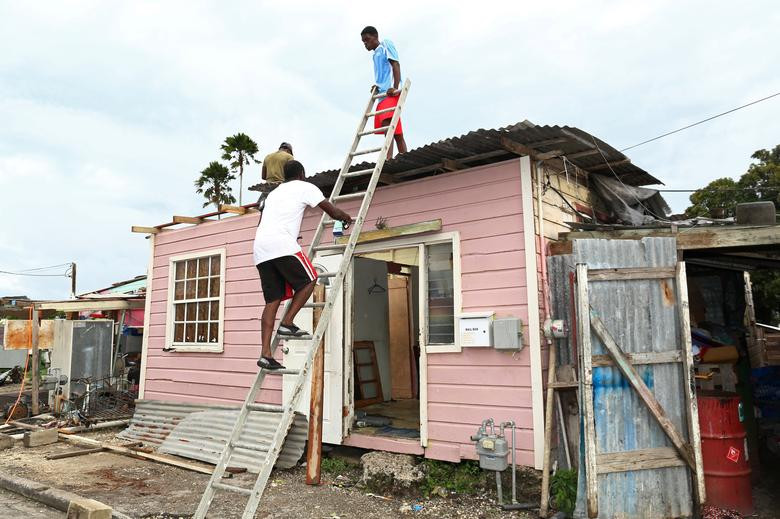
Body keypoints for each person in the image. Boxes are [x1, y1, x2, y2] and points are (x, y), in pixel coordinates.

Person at [253, 160, 352, 370]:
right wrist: (346, 217)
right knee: (310, 280)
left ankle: (265, 354)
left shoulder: (273, 193)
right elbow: (332, 211)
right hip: (282, 244)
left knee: (273, 300)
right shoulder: (305, 187)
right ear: (302, 174)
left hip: (261, 249)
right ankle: (287, 323)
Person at [360, 26, 407, 159]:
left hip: (390, 93)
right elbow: (383, 74)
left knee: (388, 126)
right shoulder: (375, 55)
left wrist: (395, 87)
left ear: (375, 37)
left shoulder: (386, 45)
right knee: (397, 133)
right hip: (382, 95)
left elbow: (395, 65)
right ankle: (405, 156)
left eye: (367, 40)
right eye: (363, 42)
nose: (365, 43)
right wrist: (377, 85)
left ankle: (388, 159)